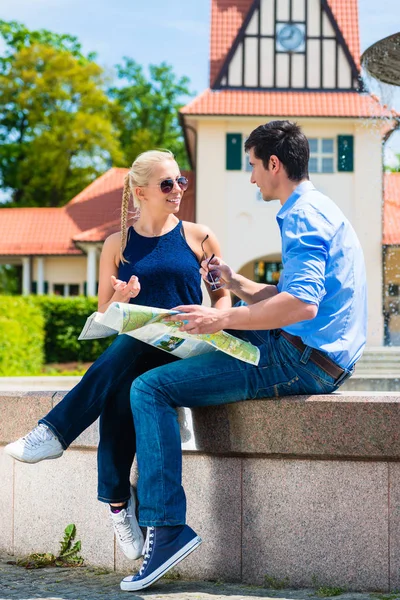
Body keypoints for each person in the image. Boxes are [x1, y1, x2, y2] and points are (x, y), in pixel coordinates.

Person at [119, 121, 367, 592]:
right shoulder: (320, 206)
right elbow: (290, 293)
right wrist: (235, 285)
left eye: (252, 166)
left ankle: (166, 527)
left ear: (274, 164)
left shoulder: (299, 215)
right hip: (318, 354)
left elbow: (302, 306)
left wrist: (222, 320)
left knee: (149, 387)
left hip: (300, 359)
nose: (251, 178)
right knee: (185, 355)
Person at [4, 149, 231, 560]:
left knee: (124, 360)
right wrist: (122, 297)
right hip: (137, 351)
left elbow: (223, 295)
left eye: (180, 181)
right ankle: (117, 504)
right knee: (122, 377)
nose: (177, 190)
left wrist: (212, 319)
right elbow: (105, 312)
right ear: (141, 192)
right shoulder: (116, 244)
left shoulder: (200, 237)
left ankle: (61, 440)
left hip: (184, 350)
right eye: (167, 184)